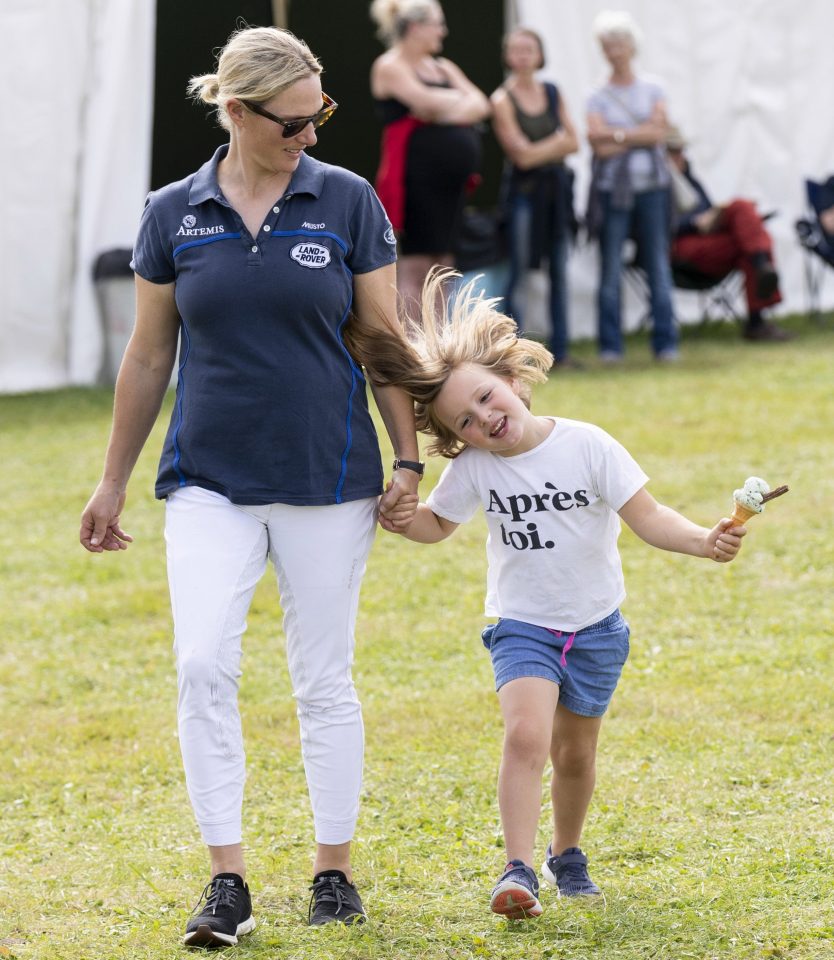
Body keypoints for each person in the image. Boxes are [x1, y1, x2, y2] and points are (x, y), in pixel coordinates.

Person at [79, 26, 421, 948]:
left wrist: (409, 461)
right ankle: (227, 879)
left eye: (321, 118)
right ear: (236, 111)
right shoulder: (171, 211)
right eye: (294, 122)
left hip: (331, 478)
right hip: (209, 482)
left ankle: (333, 871)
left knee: (323, 680)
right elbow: (149, 354)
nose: (311, 136)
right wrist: (112, 479)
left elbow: (382, 342)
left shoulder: (348, 202)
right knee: (201, 665)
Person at [360, 270, 746, 919]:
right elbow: (438, 524)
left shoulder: (588, 445)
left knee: (573, 754)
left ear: (511, 379)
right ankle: (517, 869)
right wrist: (403, 519)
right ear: (460, 437)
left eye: (486, 398)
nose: (486, 418)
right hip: (524, 627)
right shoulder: (475, 467)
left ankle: (567, 854)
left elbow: (650, 519)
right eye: (467, 421)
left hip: (597, 628)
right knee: (525, 737)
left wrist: (705, 542)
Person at [370, 0, 491, 313]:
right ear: (415, 28)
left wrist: (442, 109)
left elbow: (481, 103)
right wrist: (457, 106)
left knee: (445, 265)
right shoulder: (390, 65)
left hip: (449, 186)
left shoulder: (443, 67)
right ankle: (413, 348)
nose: (443, 31)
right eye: (438, 23)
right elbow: (423, 101)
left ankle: (442, 345)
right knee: (416, 264)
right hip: (415, 181)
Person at [586, 10, 677, 362]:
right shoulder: (596, 93)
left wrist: (616, 134)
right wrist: (638, 135)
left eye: (618, 43)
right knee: (610, 269)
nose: (613, 51)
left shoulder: (653, 87)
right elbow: (596, 142)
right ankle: (610, 346)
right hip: (612, 191)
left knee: (658, 265)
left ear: (631, 45)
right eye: (607, 45)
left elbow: (660, 133)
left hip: (653, 187)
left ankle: (666, 343)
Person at [490, 27, 580, 368]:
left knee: (559, 269)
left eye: (530, 49)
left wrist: (544, 147)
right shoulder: (502, 99)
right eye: (517, 49)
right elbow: (521, 157)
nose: (524, 56)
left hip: (556, 197)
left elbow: (574, 141)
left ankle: (562, 350)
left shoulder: (553, 92)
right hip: (524, 198)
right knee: (519, 271)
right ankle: (515, 353)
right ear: (508, 56)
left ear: (539, 54)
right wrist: (555, 144)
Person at [666, 127, 790, 342]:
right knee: (754, 237)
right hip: (680, 245)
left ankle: (759, 270)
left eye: (681, 151)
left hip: (707, 240)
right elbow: (656, 226)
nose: (680, 156)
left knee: (743, 210)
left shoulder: (690, 180)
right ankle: (756, 319)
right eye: (674, 151)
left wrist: (713, 217)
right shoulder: (653, 185)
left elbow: (706, 207)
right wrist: (693, 223)